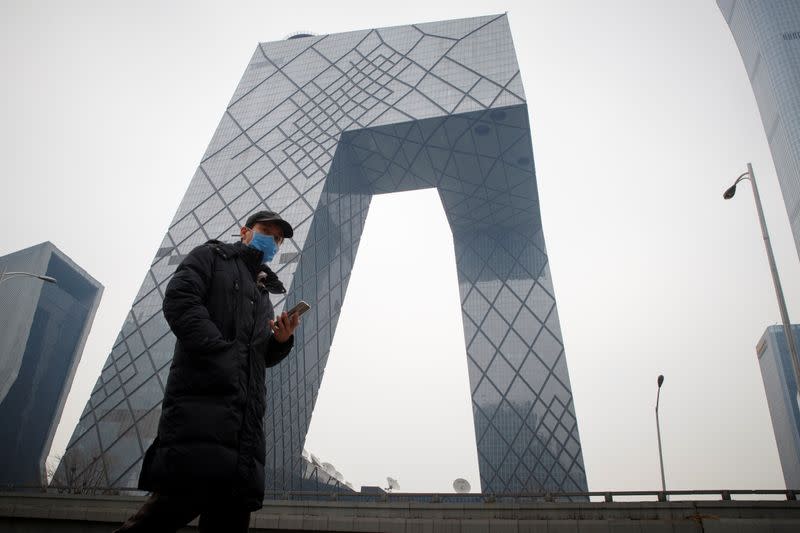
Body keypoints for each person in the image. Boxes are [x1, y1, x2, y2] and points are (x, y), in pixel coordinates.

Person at [114, 211, 301, 533]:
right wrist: (221, 353)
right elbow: (180, 300)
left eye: (278, 239)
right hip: (203, 416)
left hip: (245, 434)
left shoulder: (262, 294)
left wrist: (281, 341)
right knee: (158, 519)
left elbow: (258, 357)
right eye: (265, 231)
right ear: (244, 231)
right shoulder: (211, 257)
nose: (271, 241)